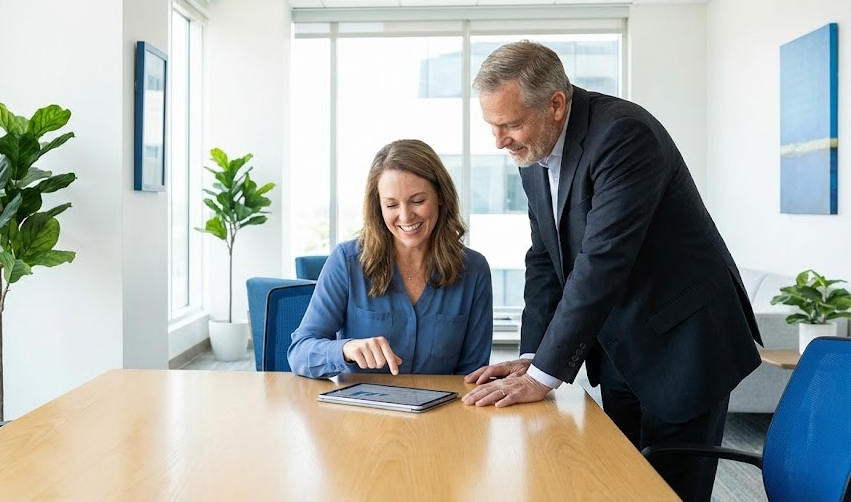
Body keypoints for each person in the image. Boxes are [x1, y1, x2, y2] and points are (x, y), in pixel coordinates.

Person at [461, 41, 762, 502]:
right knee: (621, 483)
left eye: (510, 124)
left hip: (685, 342)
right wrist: (532, 354)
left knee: (671, 491)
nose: (499, 141)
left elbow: (600, 262)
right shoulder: (533, 155)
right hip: (621, 343)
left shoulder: (624, 135)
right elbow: (544, 259)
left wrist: (543, 377)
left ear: (556, 104)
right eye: (492, 125)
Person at [288, 139, 493, 378]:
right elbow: (299, 352)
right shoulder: (347, 261)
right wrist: (346, 349)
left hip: (439, 413)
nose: (405, 216)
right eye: (391, 204)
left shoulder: (473, 270)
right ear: (379, 207)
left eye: (417, 201)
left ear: (440, 197)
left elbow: (473, 374)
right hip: (362, 411)